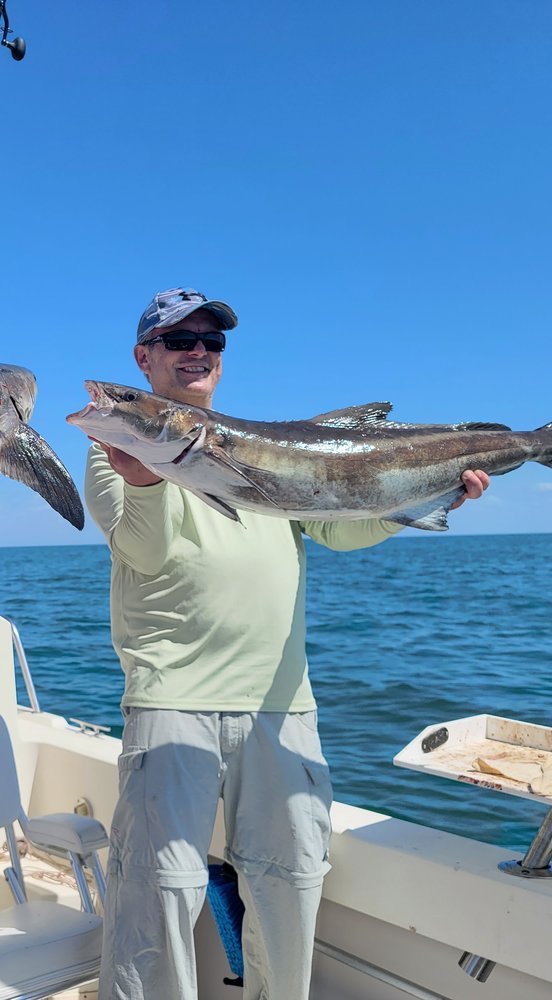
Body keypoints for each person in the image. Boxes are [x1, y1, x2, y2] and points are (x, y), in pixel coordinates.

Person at [87, 287, 489, 1000]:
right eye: (179, 340)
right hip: (172, 699)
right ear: (143, 358)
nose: (198, 352)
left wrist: (432, 495)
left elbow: (340, 528)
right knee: (159, 892)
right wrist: (145, 481)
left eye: (210, 342)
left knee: (291, 882)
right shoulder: (117, 449)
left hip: (282, 704)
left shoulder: (261, 451)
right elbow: (142, 551)